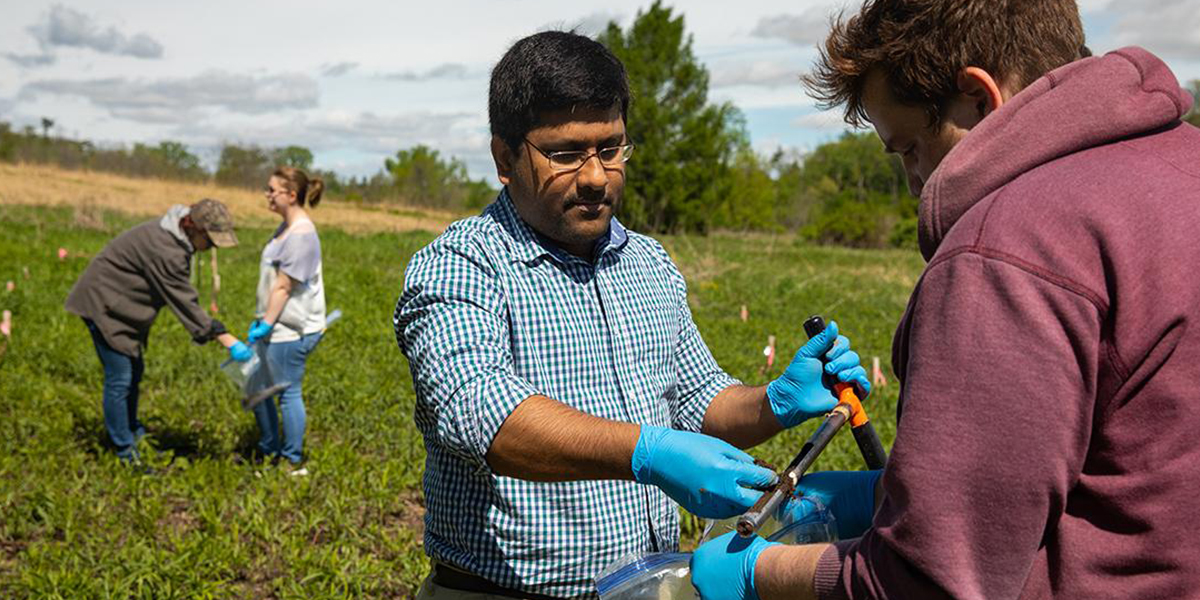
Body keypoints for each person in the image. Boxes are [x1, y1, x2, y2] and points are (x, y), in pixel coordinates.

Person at [690, 1, 1200, 599]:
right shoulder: (1181, 166)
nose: (912, 182)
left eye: (908, 148)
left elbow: (930, 583)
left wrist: (760, 575)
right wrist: (889, 495)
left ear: (980, 100)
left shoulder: (1008, 247)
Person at [393, 30, 871, 600]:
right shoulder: (460, 265)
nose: (595, 176)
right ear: (505, 157)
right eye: (566, 153)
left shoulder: (645, 261)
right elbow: (483, 416)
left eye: (611, 148)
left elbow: (698, 403)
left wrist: (775, 400)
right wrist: (649, 453)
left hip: (646, 585)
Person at [66, 199, 252, 462]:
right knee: (120, 378)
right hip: (104, 305)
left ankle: (133, 433)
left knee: (134, 371)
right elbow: (183, 300)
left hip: (123, 307)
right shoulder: (166, 250)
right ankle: (124, 450)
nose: (211, 247)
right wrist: (226, 338)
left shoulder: (174, 235)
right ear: (190, 224)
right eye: (208, 240)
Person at [245, 167, 326, 476]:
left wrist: (264, 323)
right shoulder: (286, 228)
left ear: (291, 196)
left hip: (291, 328)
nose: (267, 195)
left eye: (271, 190)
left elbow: (284, 286)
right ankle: (269, 449)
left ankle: (291, 460)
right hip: (276, 324)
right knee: (262, 388)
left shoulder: (302, 235)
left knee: (286, 390)